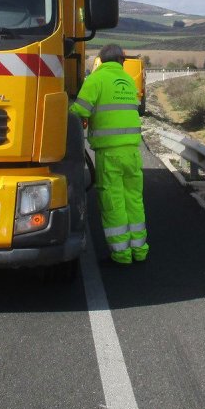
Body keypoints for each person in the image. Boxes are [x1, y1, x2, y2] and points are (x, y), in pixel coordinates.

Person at [70, 44, 148, 266]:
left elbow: (78, 112)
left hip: (110, 153)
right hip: (132, 152)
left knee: (113, 202)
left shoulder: (97, 79)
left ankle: (122, 254)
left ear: (102, 61)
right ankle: (140, 250)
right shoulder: (127, 82)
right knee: (133, 199)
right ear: (122, 61)